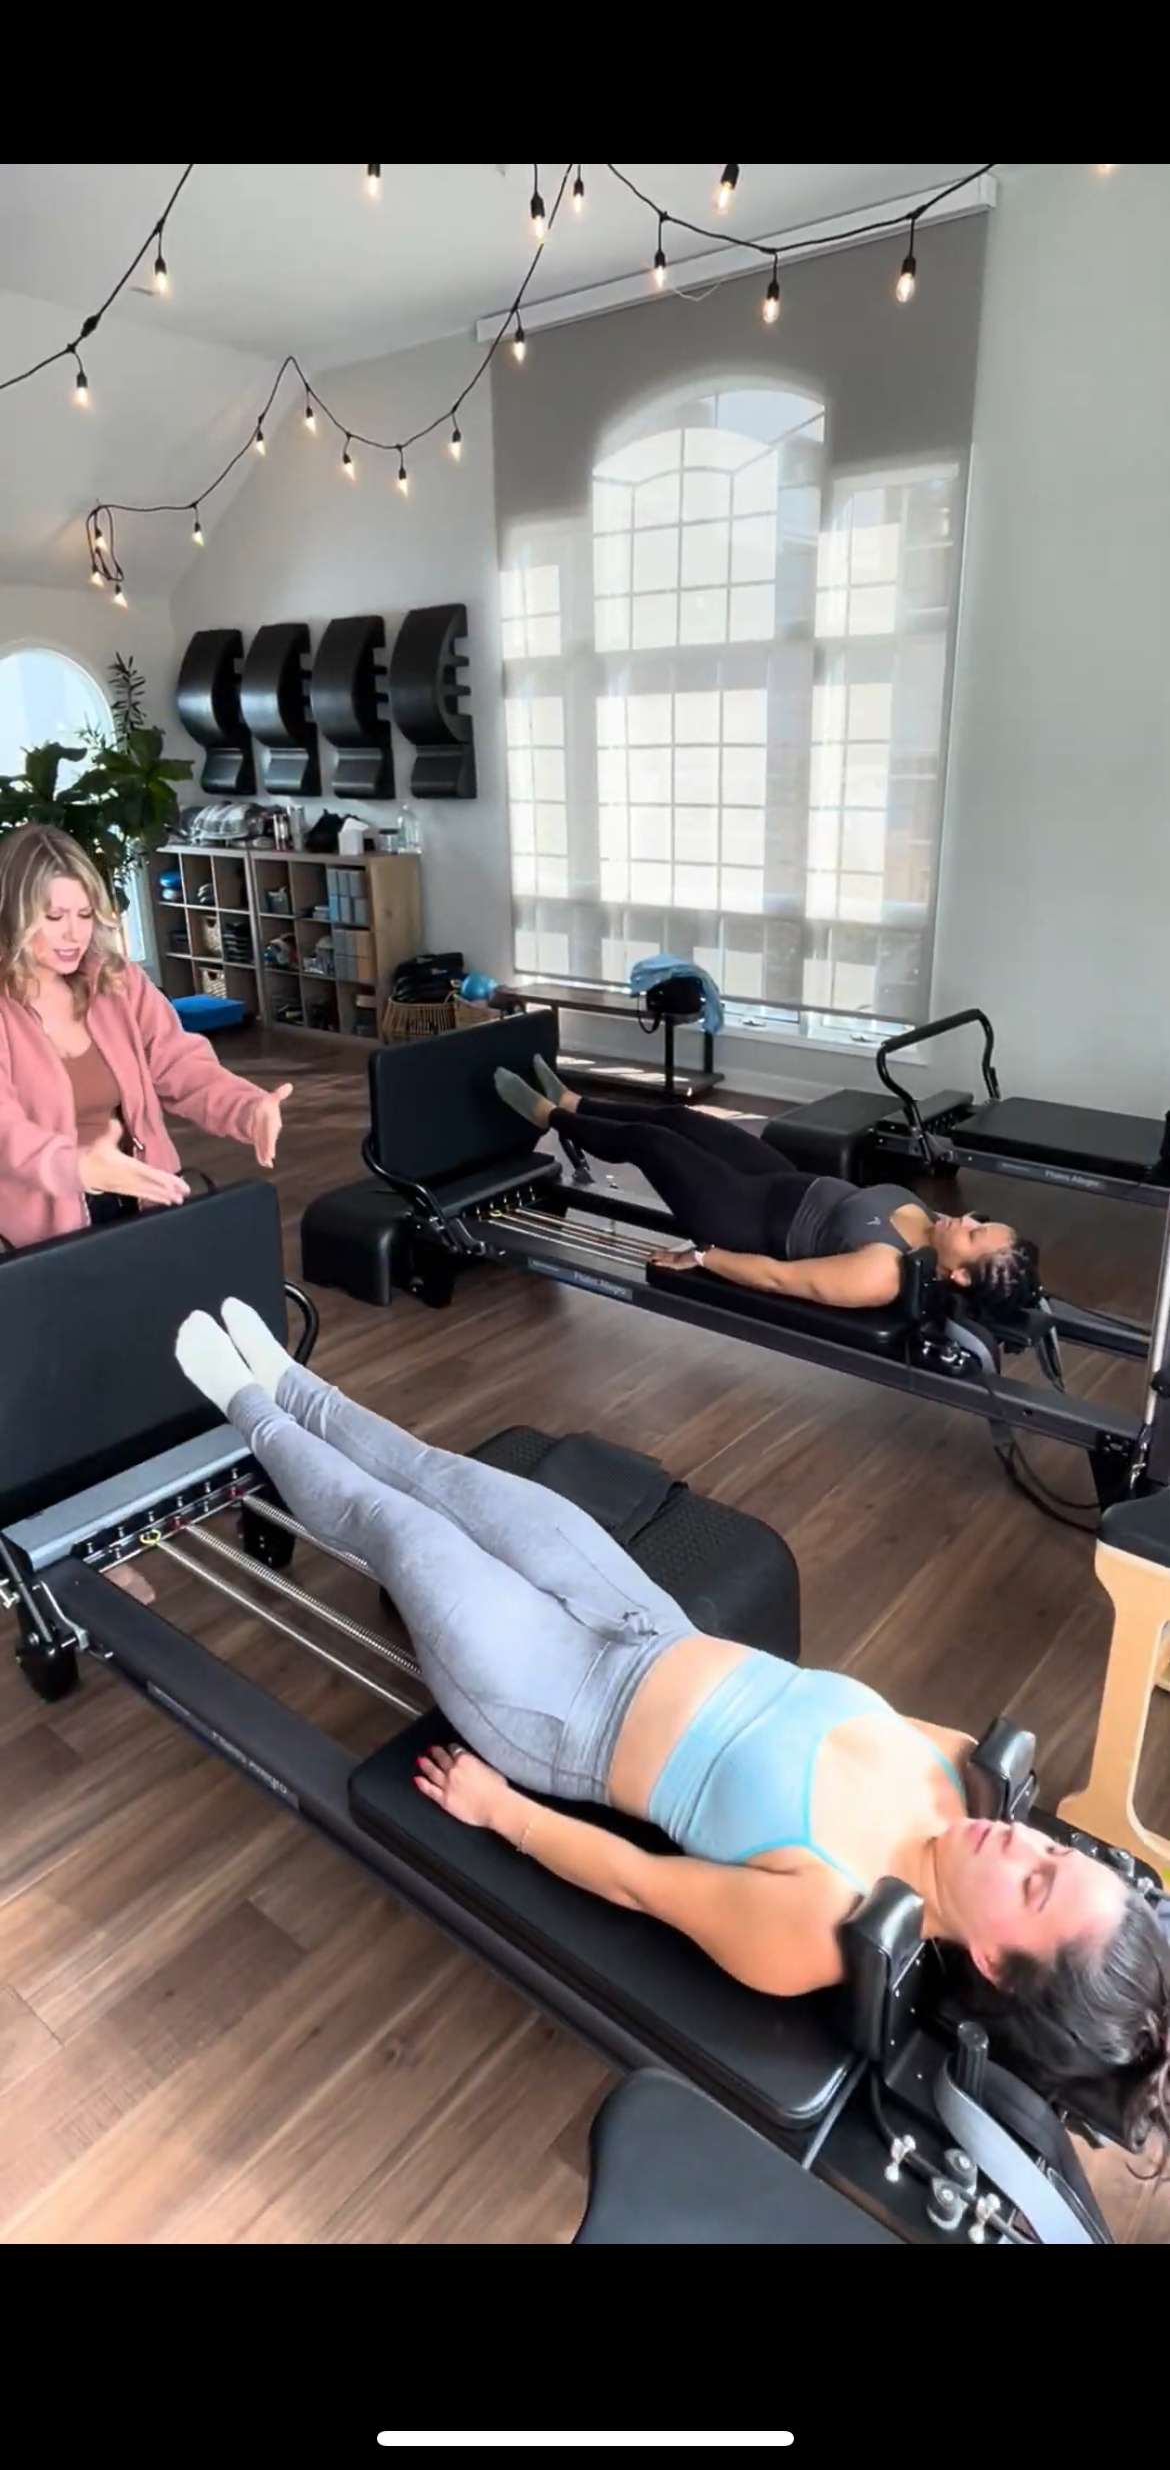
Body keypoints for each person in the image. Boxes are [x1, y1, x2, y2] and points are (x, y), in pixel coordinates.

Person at [174, 1298, 1170, 2169]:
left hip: (557, 1708)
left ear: (994, 1963)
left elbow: (637, 1884)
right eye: (1052, 1849)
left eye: (1035, 1882)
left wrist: (505, 1814)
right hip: (646, 1619)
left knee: (401, 1533)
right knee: (446, 1479)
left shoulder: (827, 1919)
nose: (1025, 1842)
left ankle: (247, 1407)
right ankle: (295, 1383)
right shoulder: (958, 1774)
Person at [493, 1058, 1039, 1318]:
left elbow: (781, 1278)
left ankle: (546, 1116)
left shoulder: (882, 1273)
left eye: (974, 1234)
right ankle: (574, 1104)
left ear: (960, 1275)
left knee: (654, 1145)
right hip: (781, 1182)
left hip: (742, 1217)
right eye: (979, 1220)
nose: (966, 1220)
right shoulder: (929, 1225)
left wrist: (703, 1257)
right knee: (685, 1121)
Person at [0, 823, 292, 1250]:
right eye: (54, 917)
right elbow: (6, 1132)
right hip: (40, 1232)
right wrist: (78, 1167)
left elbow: (181, 1065)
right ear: (14, 916)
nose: (73, 934)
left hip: (142, 1195)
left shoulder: (117, 982)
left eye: (84, 915)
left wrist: (246, 1107)